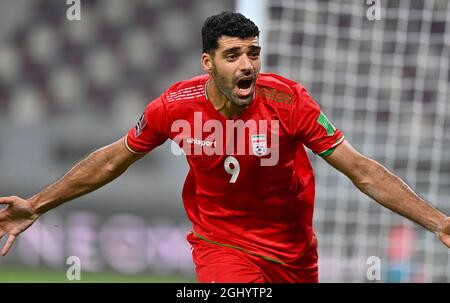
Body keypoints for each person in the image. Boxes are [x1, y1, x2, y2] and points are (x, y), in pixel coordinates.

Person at [0, 12, 449, 283]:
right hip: (222, 245)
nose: (247, 65)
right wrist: (37, 204)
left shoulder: (289, 101)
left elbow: (362, 171)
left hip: (293, 254)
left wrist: (439, 224)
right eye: (233, 55)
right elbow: (112, 160)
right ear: (208, 62)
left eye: (253, 53)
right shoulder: (174, 106)